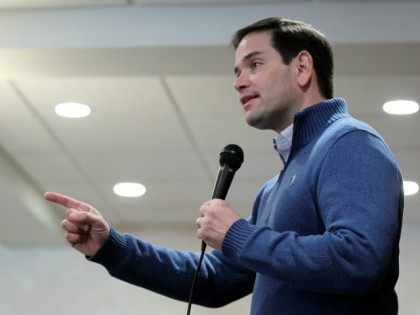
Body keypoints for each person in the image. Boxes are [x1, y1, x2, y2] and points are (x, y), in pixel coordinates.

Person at [45, 17, 404, 314]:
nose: (239, 82)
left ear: (303, 67)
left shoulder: (350, 142)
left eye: (255, 64)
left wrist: (237, 234)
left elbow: (358, 262)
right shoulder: (273, 189)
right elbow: (215, 281)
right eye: (237, 71)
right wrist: (112, 247)